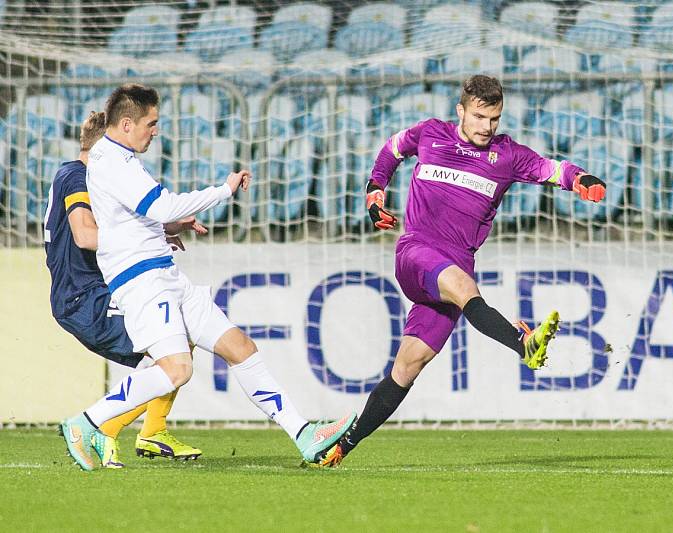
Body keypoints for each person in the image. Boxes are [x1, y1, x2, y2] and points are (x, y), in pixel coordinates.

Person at [58, 84, 355, 471]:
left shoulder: (119, 157)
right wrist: (223, 190)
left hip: (164, 273)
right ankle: (88, 422)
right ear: (127, 124)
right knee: (177, 369)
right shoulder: (112, 161)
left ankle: (303, 435)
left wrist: (164, 229)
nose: (156, 130)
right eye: (151, 123)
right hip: (142, 282)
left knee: (240, 346)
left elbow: (138, 217)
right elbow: (161, 204)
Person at [314, 75, 606, 467]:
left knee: (408, 367)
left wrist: (581, 179)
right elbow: (391, 150)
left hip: (453, 269)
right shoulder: (430, 134)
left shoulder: (506, 155)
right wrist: (375, 190)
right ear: (461, 111)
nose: (487, 127)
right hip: (417, 252)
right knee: (466, 288)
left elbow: (551, 169)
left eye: (495, 119)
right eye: (480, 117)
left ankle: (340, 447)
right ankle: (524, 345)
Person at [45, 111, 203, 468]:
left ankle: (149, 431)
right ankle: (105, 429)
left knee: (180, 336)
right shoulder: (78, 177)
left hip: (94, 292)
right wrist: (150, 238)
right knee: (171, 348)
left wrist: (161, 230)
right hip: (84, 297)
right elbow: (85, 236)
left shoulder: (82, 176)